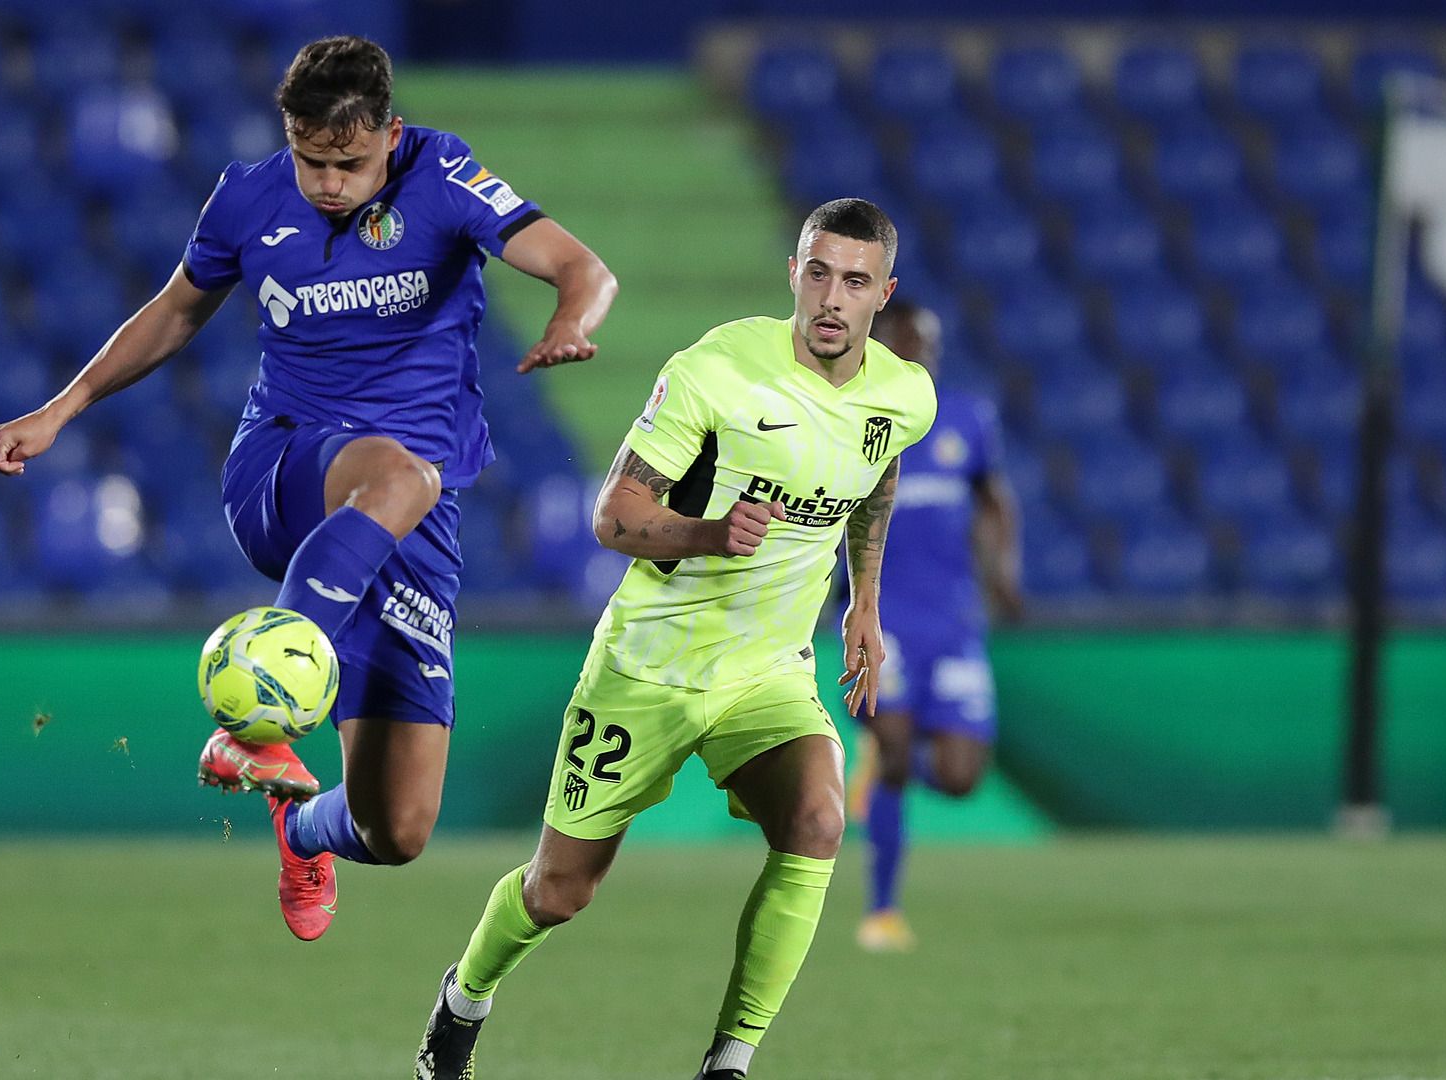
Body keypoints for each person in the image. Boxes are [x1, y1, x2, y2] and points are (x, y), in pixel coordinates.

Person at [0, 35, 616, 942]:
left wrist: (570, 320)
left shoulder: (444, 175)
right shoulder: (247, 196)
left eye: (349, 163)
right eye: (310, 159)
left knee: (395, 828)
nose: (327, 182)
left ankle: (301, 827)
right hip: (285, 468)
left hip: (409, 525)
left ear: (390, 136)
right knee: (401, 470)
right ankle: (263, 706)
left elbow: (586, 269)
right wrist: (62, 408)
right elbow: (174, 310)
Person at [412, 198, 936, 1080]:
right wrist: (709, 531)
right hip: (649, 665)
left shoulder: (902, 394)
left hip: (767, 669)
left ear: (885, 292)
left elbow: (875, 471)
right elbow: (612, 518)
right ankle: (463, 999)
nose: (831, 300)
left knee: (816, 818)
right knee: (559, 891)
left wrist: (865, 601)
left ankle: (729, 1062)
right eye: (817, 273)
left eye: (854, 281)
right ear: (794, 275)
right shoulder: (718, 370)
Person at [847, 301, 1023, 953]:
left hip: (952, 620)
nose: (917, 350)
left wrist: (1003, 572)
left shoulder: (968, 419)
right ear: (881, 344)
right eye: (904, 339)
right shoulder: (854, 417)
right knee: (893, 746)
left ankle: (882, 772)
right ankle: (883, 910)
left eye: (927, 341)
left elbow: (994, 499)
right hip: (881, 616)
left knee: (959, 777)